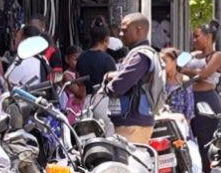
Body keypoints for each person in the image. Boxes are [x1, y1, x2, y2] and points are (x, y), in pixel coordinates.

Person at [105, 13, 160, 144]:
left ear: (138, 29)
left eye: (124, 30)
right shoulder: (141, 54)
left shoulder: (140, 57)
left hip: (133, 124)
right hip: (134, 122)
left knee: (127, 164)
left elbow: (117, 87)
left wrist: (107, 81)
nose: (121, 35)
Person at [184, 22, 221, 172]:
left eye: (197, 36)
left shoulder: (218, 56)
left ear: (208, 37)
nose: (194, 40)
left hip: (206, 100)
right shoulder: (191, 54)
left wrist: (187, 71)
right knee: (186, 139)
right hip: (188, 100)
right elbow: (174, 65)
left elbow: (204, 75)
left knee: (205, 140)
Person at [77, 17, 117, 93]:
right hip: (104, 99)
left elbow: (79, 81)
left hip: (86, 99)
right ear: (106, 39)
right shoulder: (107, 59)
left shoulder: (81, 57)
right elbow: (114, 83)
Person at [161, 47, 195, 125]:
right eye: (161, 61)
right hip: (163, 123)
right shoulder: (160, 80)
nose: (162, 64)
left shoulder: (183, 80)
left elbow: (189, 108)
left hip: (180, 124)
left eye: (165, 61)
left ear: (174, 62)